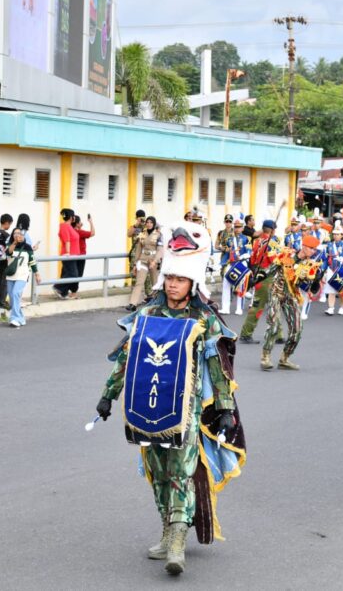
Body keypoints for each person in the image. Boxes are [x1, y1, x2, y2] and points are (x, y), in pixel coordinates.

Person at [94, 223, 244, 576]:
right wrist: (107, 396)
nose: (174, 283)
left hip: (185, 410)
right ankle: (167, 528)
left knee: (180, 471)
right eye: (170, 277)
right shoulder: (146, 315)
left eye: (181, 278)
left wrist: (223, 408)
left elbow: (216, 365)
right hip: (147, 407)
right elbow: (126, 361)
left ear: (193, 282)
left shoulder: (202, 319)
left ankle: (178, 541)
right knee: (159, 473)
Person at [261, 234, 322, 370]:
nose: (314, 252)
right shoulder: (286, 255)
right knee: (274, 325)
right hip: (276, 293)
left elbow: (313, 290)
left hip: (291, 296)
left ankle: (285, 358)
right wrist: (255, 278)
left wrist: (317, 279)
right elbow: (269, 271)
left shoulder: (310, 265)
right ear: (305, 247)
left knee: (297, 329)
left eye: (315, 250)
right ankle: (265, 356)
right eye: (312, 249)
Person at [238, 220, 283, 344]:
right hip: (267, 276)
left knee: (271, 305)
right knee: (263, 306)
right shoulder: (270, 243)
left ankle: (278, 334)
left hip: (258, 275)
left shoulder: (257, 242)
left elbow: (252, 260)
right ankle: (246, 333)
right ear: (272, 230)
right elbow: (275, 261)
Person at [5, 228, 40, 327]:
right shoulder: (9, 245)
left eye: (19, 233)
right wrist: (15, 242)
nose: (17, 235)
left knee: (16, 293)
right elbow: (8, 252)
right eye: (15, 233)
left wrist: (37, 273)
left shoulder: (27, 247)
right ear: (12, 235)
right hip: (11, 275)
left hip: (23, 275)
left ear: (23, 235)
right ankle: (21, 318)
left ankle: (14, 318)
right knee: (12, 298)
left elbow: (32, 261)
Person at [127, 216, 162, 310]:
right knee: (139, 282)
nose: (149, 224)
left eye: (151, 222)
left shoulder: (158, 235)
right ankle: (132, 304)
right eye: (147, 222)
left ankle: (158, 303)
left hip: (153, 260)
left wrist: (155, 261)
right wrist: (135, 263)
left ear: (154, 224)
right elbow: (138, 249)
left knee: (155, 283)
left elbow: (160, 250)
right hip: (143, 259)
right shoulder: (142, 234)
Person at [56, 208, 80, 299]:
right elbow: (67, 241)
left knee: (67, 274)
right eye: (73, 216)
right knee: (73, 274)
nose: (74, 218)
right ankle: (58, 288)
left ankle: (63, 293)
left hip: (73, 255)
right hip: (68, 255)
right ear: (71, 217)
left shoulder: (69, 227)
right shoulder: (64, 226)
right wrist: (68, 253)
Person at [0, 213, 14, 309]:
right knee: (4, 280)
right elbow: (10, 246)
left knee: (1, 279)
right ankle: (1, 302)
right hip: (6, 259)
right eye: (9, 224)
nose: (9, 226)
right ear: (6, 223)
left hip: (0, 258)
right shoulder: (5, 234)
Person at [72, 213, 95, 279]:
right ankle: (73, 288)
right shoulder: (80, 232)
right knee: (79, 275)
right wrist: (90, 222)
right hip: (81, 256)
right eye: (80, 222)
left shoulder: (72, 230)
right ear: (77, 224)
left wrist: (79, 226)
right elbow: (93, 233)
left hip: (73, 255)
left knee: (74, 274)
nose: (81, 223)